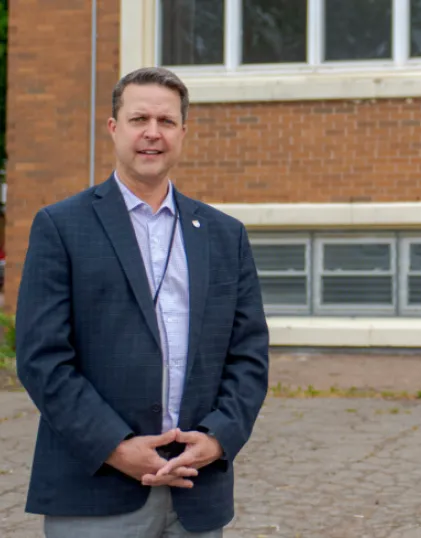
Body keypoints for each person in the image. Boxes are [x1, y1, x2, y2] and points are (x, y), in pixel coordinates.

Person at [16, 66, 269, 537]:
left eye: (166, 121)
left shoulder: (224, 235)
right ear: (114, 128)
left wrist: (218, 438)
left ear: (183, 133)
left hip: (197, 490)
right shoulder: (61, 226)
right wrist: (116, 447)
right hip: (95, 490)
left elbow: (248, 354)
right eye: (139, 119)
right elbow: (41, 359)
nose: (152, 133)